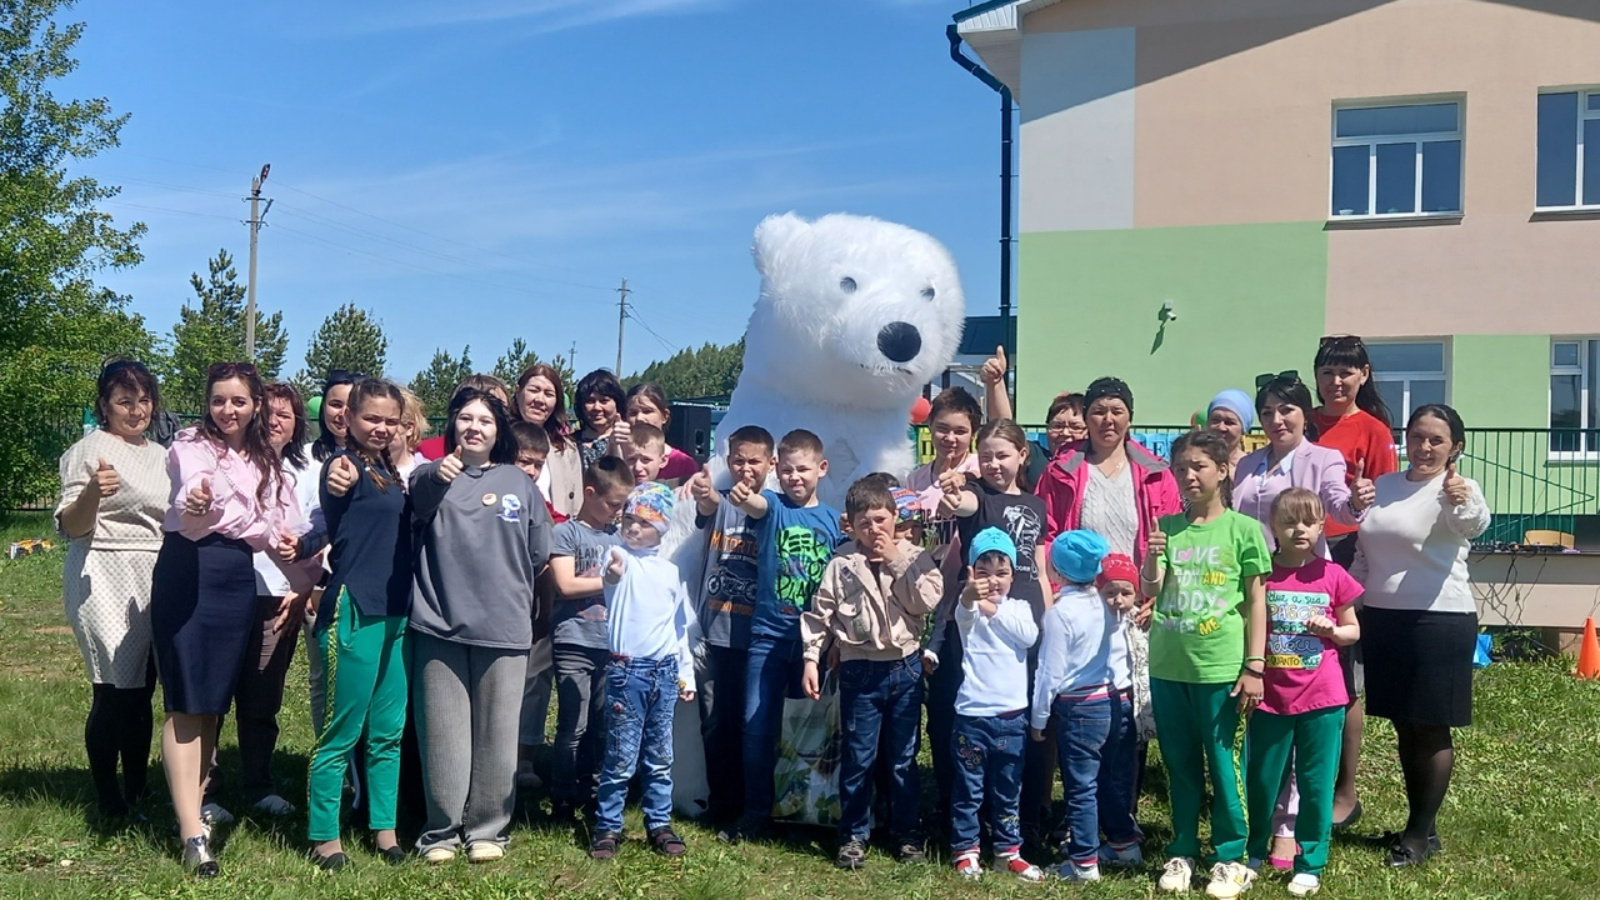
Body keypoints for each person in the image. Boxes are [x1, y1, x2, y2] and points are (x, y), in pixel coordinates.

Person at [151, 362, 320, 877]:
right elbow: (192, 497)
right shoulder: (190, 445)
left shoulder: (266, 462)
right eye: (219, 399)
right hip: (189, 569)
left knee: (211, 706)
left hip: (235, 578)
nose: (228, 410)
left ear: (255, 407)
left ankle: (198, 807)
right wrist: (199, 501)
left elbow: (280, 528)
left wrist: (301, 565)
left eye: (239, 401)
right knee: (188, 701)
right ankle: (192, 833)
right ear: (208, 401)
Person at [408, 387, 552, 863]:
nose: (474, 427)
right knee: (443, 734)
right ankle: (442, 832)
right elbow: (420, 498)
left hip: (505, 627)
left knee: (497, 734)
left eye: (485, 421)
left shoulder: (520, 483)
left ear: (498, 432)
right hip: (438, 623)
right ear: (452, 427)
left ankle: (488, 829)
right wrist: (438, 473)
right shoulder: (431, 475)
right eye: (466, 418)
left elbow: (537, 554)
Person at [1035, 377, 1181, 844]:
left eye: (1117, 410)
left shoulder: (1155, 471)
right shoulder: (1063, 469)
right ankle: (1079, 813)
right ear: (1086, 417)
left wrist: (1155, 593)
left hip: (1134, 606)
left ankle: (1122, 816)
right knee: (1079, 709)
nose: (1107, 420)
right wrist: (1058, 587)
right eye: (1098, 410)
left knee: (1128, 714)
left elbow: (1172, 537)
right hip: (1081, 604)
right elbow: (1048, 531)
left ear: (1130, 416)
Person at [1351, 404, 1489, 868]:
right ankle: (1422, 827)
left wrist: (1460, 498)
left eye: (1436, 440)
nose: (1424, 447)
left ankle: (1416, 835)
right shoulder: (1384, 487)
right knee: (1404, 725)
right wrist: (1349, 597)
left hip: (1439, 620)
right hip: (1384, 619)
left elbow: (1474, 525)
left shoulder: (1459, 490)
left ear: (1456, 448)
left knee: (1430, 726)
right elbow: (1367, 553)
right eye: (1416, 437)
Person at [1140, 430, 1270, 899]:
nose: (1189, 476)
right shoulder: (1169, 527)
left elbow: (1257, 601)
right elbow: (1152, 592)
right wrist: (1153, 558)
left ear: (1222, 471)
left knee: (1223, 760)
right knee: (1179, 763)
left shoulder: (1244, 530)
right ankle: (1182, 850)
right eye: (1181, 468)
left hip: (1220, 669)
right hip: (1169, 665)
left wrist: (1254, 665)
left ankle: (1231, 857)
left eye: (1198, 466)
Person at [800, 477, 943, 869]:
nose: (874, 530)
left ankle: (906, 832)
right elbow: (820, 614)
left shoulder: (914, 557)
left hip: (905, 667)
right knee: (858, 757)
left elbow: (925, 602)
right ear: (851, 525)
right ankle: (853, 834)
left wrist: (896, 560)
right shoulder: (843, 563)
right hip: (860, 669)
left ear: (896, 518)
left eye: (881, 520)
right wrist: (812, 658)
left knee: (902, 758)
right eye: (864, 523)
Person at [305, 378, 414, 871]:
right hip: (355, 607)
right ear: (348, 419)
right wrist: (340, 472)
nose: (381, 427)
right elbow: (336, 481)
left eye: (390, 420)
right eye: (371, 417)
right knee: (342, 730)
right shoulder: (344, 465)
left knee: (388, 731)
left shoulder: (392, 470)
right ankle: (324, 836)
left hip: (396, 612)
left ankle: (384, 830)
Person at [56, 358, 170, 823]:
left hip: (155, 570)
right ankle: (108, 799)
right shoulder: (88, 450)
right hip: (103, 568)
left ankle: (139, 788)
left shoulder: (162, 455)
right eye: (125, 401)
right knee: (113, 689)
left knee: (143, 687)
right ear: (105, 405)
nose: (136, 410)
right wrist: (92, 493)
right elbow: (72, 526)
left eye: (144, 400)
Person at [718, 429, 844, 844]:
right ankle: (756, 810)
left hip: (815, 644)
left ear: (821, 470)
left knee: (807, 730)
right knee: (756, 724)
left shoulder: (831, 520)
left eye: (802, 469)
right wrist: (741, 494)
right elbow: (754, 504)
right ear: (776, 470)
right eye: (786, 470)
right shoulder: (771, 506)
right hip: (769, 637)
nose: (794, 477)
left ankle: (801, 807)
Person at [1245, 488, 1362, 898]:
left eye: (1309, 522)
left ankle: (1310, 860)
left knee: (1315, 783)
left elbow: (1352, 630)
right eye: (1290, 521)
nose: (1300, 529)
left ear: (1320, 527)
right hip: (1270, 698)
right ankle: (1254, 852)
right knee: (1260, 779)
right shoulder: (1261, 574)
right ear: (1273, 526)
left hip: (1323, 698)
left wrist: (1333, 630)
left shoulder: (1333, 575)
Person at [204, 381, 311, 820]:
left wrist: (299, 587)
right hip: (221, 593)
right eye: (269, 413)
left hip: (276, 597)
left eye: (285, 415)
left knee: (262, 698)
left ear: (296, 425)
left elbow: (315, 537)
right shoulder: (223, 463)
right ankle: (205, 790)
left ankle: (259, 783)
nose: (274, 422)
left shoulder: (304, 474)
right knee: (211, 696)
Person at [1310, 335, 1398, 828]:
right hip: (1293, 556)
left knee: (1342, 677)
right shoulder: (1301, 421)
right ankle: (1298, 784)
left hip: (1345, 555)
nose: (1336, 381)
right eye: (1328, 372)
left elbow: (1384, 503)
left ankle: (1346, 790)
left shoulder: (1373, 429)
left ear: (1363, 375)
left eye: (1346, 372)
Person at [588, 483, 697, 860]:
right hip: (626, 673)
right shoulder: (618, 556)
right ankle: (608, 827)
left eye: (644, 523)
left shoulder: (669, 572)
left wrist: (687, 674)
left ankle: (659, 823)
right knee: (620, 755)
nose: (634, 529)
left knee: (660, 754)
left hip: (665, 674)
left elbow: (679, 628)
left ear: (663, 529)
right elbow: (612, 576)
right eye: (629, 520)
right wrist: (615, 569)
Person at [685, 424, 775, 823]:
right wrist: (705, 495)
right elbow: (705, 508)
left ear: (770, 464)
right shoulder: (720, 501)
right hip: (716, 632)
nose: (745, 468)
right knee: (715, 722)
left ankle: (752, 803)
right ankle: (721, 801)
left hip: (757, 637)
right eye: (738, 459)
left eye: (754, 461)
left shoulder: (775, 506)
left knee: (751, 724)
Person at [1032, 530, 1132, 882]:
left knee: (1080, 787)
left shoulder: (1060, 614)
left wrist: (1039, 717)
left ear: (1057, 571)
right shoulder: (1102, 604)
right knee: (1103, 778)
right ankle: (1123, 840)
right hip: (1108, 700)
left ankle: (1084, 861)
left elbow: (1050, 671)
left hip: (1076, 708)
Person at [903, 386, 982, 823]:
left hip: (960, 607)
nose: (950, 439)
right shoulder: (917, 478)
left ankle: (961, 800)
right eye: (942, 429)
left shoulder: (977, 471)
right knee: (922, 711)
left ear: (972, 434)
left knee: (956, 705)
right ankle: (922, 796)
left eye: (960, 431)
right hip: (919, 604)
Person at [946, 528, 1041, 881]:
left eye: (1001, 573)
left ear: (1013, 576)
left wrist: (989, 605)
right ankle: (966, 849)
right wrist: (971, 598)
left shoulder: (1020, 608)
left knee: (1008, 789)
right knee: (969, 789)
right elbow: (966, 615)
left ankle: (1007, 850)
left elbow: (1028, 636)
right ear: (970, 573)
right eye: (983, 572)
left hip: (1012, 719)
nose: (993, 581)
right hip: (972, 717)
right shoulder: (965, 607)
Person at [547, 456, 632, 822]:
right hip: (574, 641)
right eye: (614, 504)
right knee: (572, 724)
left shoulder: (619, 538)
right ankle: (562, 797)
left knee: (602, 723)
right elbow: (566, 585)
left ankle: (594, 792)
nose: (618, 512)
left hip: (610, 643)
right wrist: (611, 581)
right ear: (590, 492)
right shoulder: (566, 533)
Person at [1235, 374, 1372, 559]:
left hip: (1299, 571)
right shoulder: (1247, 464)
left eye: (1286, 410)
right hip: (1248, 569)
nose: (1276, 420)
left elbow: (1340, 509)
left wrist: (1356, 502)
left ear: (1305, 415)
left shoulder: (1324, 459)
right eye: (1267, 413)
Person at [1092, 553, 1147, 871]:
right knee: (1099, 770)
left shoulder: (1140, 620)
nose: (1117, 600)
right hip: (1098, 702)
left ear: (1137, 595)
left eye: (1125, 593)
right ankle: (1102, 828)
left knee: (1124, 771)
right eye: (1109, 592)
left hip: (1130, 705)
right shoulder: (1094, 620)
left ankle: (1124, 830)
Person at [977, 345, 1086, 488]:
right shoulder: (1036, 458)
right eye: (1057, 426)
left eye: (1075, 427)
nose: (1065, 433)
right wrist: (995, 382)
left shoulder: (1098, 466)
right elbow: (1004, 429)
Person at [514, 363, 582, 519]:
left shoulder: (567, 449)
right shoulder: (499, 439)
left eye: (548, 394)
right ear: (518, 393)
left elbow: (576, 504)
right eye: (534, 390)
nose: (540, 399)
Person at [609, 382, 699, 482]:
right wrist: (613, 449)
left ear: (665, 416)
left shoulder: (683, 463)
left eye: (647, 411)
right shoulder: (616, 453)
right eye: (633, 413)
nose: (640, 418)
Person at [416, 375, 510, 461]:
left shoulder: (514, 453)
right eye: (466, 418)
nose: (475, 427)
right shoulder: (427, 452)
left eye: (503, 408)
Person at [573, 369, 626, 471]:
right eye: (590, 401)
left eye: (604, 401)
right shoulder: (567, 444)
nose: (597, 407)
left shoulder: (630, 442)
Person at [1206, 389, 1255, 469]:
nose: (1221, 427)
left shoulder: (1252, 468)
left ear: (1243, 429)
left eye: (1229, 422)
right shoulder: (1190, 461)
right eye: (1215, 420)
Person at [620, 421, 671, 485]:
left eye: (646, 459)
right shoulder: (615, 493)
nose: (637, 468)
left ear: (663, 461)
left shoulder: (671, 490)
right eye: (631, 459)